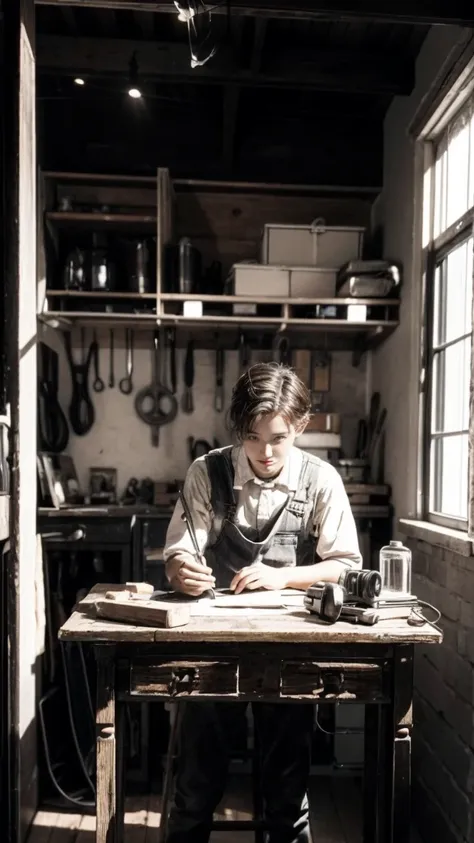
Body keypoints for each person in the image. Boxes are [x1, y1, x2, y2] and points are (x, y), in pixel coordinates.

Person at [163, 362, 362, 843]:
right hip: (214, 648)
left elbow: (345, 565)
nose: (266, 452)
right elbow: (178, 550)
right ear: (238, 430)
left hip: (287, 649)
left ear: (299, 427)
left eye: (278, 438)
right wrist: (180, 569)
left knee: (287, 797)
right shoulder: (207, 471)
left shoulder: (321, 480)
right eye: (253, 438)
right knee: (194, 790)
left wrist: (282, 577)